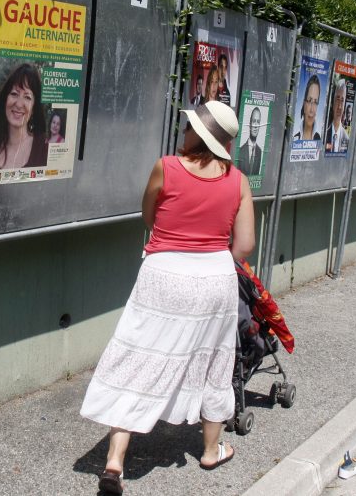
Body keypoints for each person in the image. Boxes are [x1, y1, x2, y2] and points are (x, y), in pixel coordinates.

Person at [80, 100, 255, 495]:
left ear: (201, 136)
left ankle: (114, 462)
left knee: (137, 358)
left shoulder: (167, 167)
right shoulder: (239, 181)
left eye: (191, 127)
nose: (184, 131)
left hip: (163, 273)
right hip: (215, 277)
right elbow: (243, 245)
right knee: (213, 359)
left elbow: (149, 215)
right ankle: (212, 449)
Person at [0, 63, 48, 170]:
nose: (19, 104)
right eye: (14, 94)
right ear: (5, 98)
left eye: (27, 97)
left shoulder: (45, 148)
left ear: (34, 108)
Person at [293, 74, 321, 141]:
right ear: (304, 103)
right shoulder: (294, 138)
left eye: (315, 102)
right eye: (309, 101)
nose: (312, 110)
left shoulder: (319, 140)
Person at [237, 107, 263, 175]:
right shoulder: (240, 151)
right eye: (254, 121)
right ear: (249, 124)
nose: (255, 125)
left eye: (258, 122)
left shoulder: (259, 151)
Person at [324, 80, 348, 153]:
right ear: (332, 102)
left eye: (342, 100)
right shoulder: (324, 133)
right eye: (337, 99)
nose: (340, 106)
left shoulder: (346, 138)